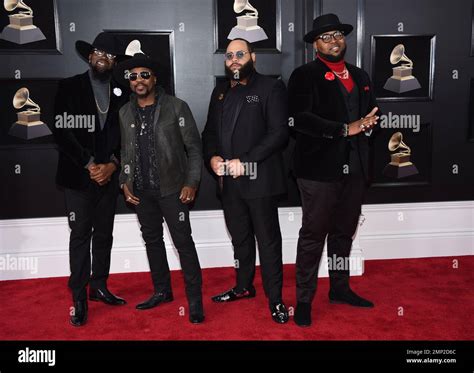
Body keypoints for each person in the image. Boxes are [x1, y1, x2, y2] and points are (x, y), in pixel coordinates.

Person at [288, 14, 380, 327]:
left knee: (343, 233)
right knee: (313, 235)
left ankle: (339, 288)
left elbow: (369, 116)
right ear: (316, 43)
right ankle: (303, 299)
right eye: (326, 37)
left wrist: (367, 127)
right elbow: (299, 119)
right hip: (318, 170)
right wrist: (344, 128)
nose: (334, 41)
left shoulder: (361, 75)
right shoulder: (304, 75)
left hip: (356, 168)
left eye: (338, 35)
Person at [202, 38, 290, 324]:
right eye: (229, 56)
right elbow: (209, 134)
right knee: (239, 239)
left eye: (240, 54)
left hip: (260, 180)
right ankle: (243, 286)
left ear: (252, 57)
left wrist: (247, 161)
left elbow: (278, 134)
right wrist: (212, 158)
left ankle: (276, 300)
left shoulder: (270, 87)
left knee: (267, 242)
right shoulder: (220, 92)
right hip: (228, 183)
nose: (234, 59)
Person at [115, 50, 204, 323]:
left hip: (173, 190)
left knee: (183, 244)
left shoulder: (177, 107)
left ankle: (195, 301)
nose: (138, 80)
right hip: (142, 192)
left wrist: (191, 182)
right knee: (152, 242)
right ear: (129, 81)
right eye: (133, 76)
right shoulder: (124, 112)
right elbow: (126, 152)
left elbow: (195, 149)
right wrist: (124, 180)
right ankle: (162, 291)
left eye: (144, 75)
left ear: (154, 78)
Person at [53, 32, 129, 327]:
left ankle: (99, 286)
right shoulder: (69, 86)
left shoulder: (122, 92)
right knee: (80, 236)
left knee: (104, 235)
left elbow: (128, 137)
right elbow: (61, 131)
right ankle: (79, 297)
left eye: (109, 55)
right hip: (78, 178)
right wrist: (89, 164)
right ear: (89, 56)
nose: (103, 57)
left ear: (113, 62)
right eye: (99, 51)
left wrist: (112, 165)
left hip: (108, 179)